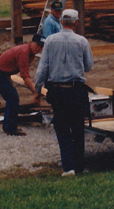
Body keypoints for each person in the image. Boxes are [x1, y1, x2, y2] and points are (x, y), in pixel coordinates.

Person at [34, 9, 94, 176]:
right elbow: (88, 66)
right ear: (76, 23)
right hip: (76, 90)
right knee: (78, 129)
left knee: (62, 129)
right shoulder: (82, 42)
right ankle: (80, 166)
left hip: (58, 91)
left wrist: (37, 90)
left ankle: (68, 167)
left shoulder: (51, 41)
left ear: (61, 22)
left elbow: (43, 68)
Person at [0, 34, 45, 137]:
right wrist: (36, 92)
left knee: (12, 98)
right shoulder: (24, 52)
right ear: (31, 42)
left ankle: (8, 127)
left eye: (41, 47)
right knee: (13, 98)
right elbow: (24, 75)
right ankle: (10, 128)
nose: (39, 48)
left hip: (3, 74)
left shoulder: (30, 53)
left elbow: (25, 74)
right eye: (37, 45)